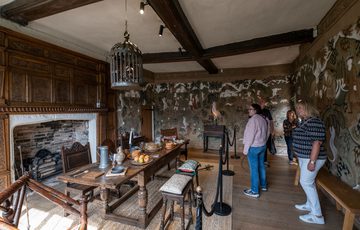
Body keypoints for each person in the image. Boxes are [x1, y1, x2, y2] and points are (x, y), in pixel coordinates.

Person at [292, 101, 327, 225]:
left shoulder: (314, 122)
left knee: (306, 182)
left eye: (300, 108)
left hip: (311, 158)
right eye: (297, 108)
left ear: (308, 108)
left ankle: (317, 215)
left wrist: (312, 161)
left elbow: (317, 143)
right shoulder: (307, 121)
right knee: (308, 182)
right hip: (305, 157)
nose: (298, 110)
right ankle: (309, 205)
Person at [243, 103, 270, 198]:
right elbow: (268, 132)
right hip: (262, 146)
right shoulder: (264, 119)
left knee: (254, 169)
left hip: (254, 147)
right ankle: (263, 185)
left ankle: (254, 191)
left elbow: (250, 136)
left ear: (256, 110)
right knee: (261, 166)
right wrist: (264, 142)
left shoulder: (253, 120)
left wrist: (245, 150)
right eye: (249, 109)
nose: (249, 110)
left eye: (250, 109)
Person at [260, 101, 274, 167]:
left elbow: (271, 121)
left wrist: (272, 130)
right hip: (258, 132)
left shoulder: (267, 111)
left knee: (264, 146)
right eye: (260, 102)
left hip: (266, 132)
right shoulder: (256, 111)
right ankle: (260, 160)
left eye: (262, 103)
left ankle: (264, 160)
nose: (261, 104)